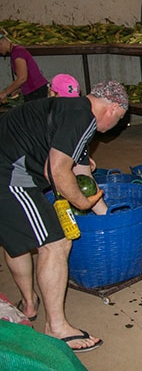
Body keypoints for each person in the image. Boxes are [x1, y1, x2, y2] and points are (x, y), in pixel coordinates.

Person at [0, 80, 130, 353]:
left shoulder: (73, 111)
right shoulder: (82, 117)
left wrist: (106, 216)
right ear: (113, 108)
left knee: (18, 238)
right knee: (57, 243)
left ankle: (30, 304)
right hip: (8, 176)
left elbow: (81, 172)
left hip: (10, 169)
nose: (115, 125)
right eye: (119, 119)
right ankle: (56, 328)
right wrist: (82, 202)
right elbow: (57, 174)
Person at [0, 28, 49, 103]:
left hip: (36, 91)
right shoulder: (15, 52)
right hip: (33, 91)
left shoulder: (18, 52)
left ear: (1, 43)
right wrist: (17, 88)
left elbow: (22, 78)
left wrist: (5, 93)